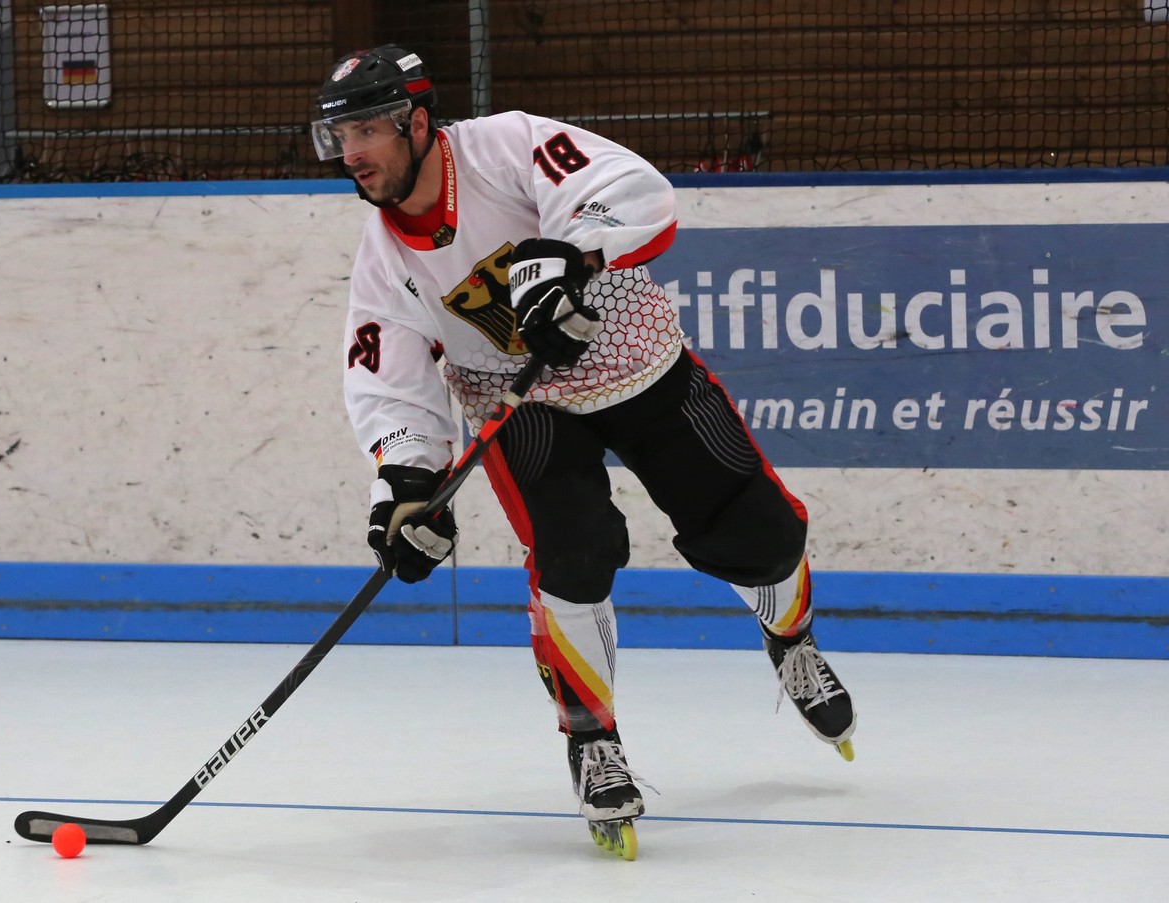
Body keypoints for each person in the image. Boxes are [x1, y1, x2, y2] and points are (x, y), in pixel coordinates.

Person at [313, 44, 857, 853]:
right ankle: (593, 739)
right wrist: (405, 489)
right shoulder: (381, 264)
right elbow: (391, 390)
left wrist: (572, 257)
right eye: (339, 136)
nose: (350, 153)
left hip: (632, 355)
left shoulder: (504, 145)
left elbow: (630, 187)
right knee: (572, 556)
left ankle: (791, 636)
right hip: (520, 401)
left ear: (418, 123)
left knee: (759, 533)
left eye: (366, 131)